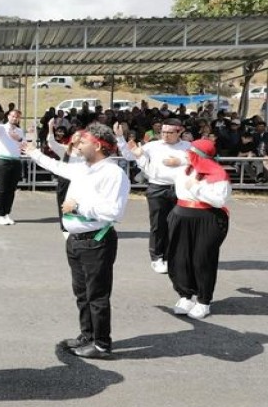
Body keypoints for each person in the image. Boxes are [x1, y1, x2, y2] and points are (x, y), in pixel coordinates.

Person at [23, 123, 130, 359]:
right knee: (82, 293)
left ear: (99, 145)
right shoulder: (83, 168)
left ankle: (101, 344)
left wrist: (79, 207)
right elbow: (58, 166)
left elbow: (115, 212)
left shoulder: (113, 173)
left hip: (96, 241)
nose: (77, 145)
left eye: (83, 141)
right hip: (76, 240)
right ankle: (87, 335)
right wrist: (33, 152)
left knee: (97, 295)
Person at [114, 119, 190, 274]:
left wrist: (180, 160)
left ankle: (172, 256)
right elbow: (130, 155)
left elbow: (203, 159)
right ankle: (157, 257)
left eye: (170, 132)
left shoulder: (187, 147)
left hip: (180, 189)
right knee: (158, 224)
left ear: (179, 131)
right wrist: (120, 138)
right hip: (157, 188)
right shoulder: (153, 146)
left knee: (176, 225)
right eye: (163, 132)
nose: (166, 135)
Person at [166, 139, 231, 320]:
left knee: (202, 259)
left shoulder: (218, 173)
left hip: (207, 217)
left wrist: (195, 188)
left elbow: (219, 200)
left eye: (191, 152)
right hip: (181, 215)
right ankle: (185, 295)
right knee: (179, 258)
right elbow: (158, 169)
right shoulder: (184, 168)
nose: (187, 154)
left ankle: (203, 301)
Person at [0, 108, 24, 225]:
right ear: (8, 116)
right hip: (3, 161)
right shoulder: (1, 128)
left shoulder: (20, 131)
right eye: (13, 116)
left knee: (11, 189)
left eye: (17, 117)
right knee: (2, 188)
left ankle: (7, 213)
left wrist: (19, 139)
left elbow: (24, 144)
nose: (15, 118)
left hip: (16, 161)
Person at [47, 120, 84, 238]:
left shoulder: (85, 152)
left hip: (79, 182)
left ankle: (78, 226)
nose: (76, 138)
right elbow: (51, 142)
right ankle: (65, 228)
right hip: (65, 181)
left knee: (78, 205)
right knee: (63, 204)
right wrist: (50, 127)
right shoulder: (64, 149)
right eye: (75, 136)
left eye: (79, 137)